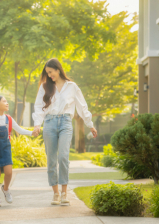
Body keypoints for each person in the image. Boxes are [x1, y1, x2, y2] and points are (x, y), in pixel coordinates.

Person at [32, 58, 97, 206]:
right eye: (47, 73)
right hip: (49, 123)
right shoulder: (44, 87)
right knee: (51, 160)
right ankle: (55, 193)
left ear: (58, 69)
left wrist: (90, 125)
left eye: (51, 72)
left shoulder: (72, 86)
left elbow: (82, 106)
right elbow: (38, 106)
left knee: (63, 156)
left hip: (66, 123)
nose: (49, 75)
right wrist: (37, 125)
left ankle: (64, 192)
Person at [0, 95, 36, 207]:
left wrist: (32, 133)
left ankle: (5, 189)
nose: (7, 103)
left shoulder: (9, 119)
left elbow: (19, 130)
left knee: (9, 172)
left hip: (6, 149)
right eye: (4, 101)